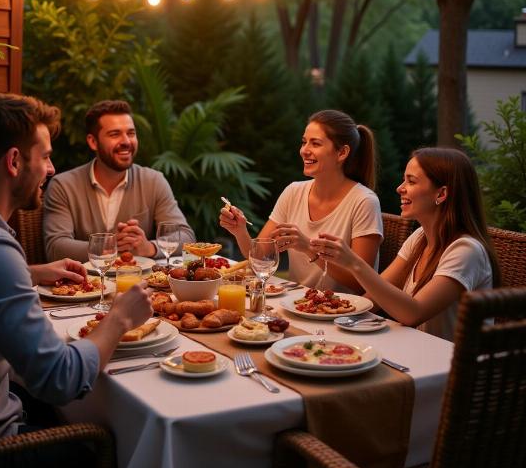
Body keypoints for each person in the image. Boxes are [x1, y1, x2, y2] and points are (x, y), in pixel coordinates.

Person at [0, 93, 153, 456]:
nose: (50, 169)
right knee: (112, 443)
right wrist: (119, 318)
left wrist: (28, 272)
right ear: (15, 162)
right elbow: (60, 380)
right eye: (46, 156)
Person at [310, 147, 500, 341]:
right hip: (416, 349)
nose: (400, 188)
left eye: (411, 181)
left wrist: (353, 263)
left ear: (441, 194)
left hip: (452, 366)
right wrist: (322, 313)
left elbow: (413, 313)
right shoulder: (420, 237)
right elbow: (373, 299)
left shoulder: (466, 250)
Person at [220, 109, 382, 293]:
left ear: (342, 152)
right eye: (304, 142)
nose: (305, 150)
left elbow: (362, 283)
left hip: (345, 315)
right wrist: (240, 230)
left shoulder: (364, 202)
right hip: (296, 305)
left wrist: (309, 248)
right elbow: (258, 256)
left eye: (315, 143)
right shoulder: (293, 192)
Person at [44, 100, 194, 263]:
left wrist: (149, 247)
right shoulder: (63, 186)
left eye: (131, 133)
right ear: (93, 142)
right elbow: (55, 248)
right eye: (115, 134)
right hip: (84, 286)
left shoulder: (153, 181)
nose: (126, 142)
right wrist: (110, 245)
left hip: (138, 282)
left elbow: (186, 237)